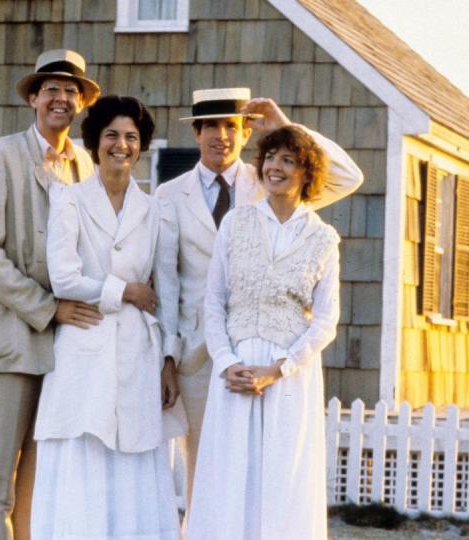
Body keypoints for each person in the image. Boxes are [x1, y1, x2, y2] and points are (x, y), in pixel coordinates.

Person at [153, 87, 363, 509]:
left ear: (247, 132)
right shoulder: (169, 195)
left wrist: (283, 125)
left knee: (266, 471)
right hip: (198, 355)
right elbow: (166, 283)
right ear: (196, 133)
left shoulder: (270, 178)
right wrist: (168, 359)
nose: (221, 136)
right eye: (209, 126)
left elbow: (347, 176)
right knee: (205, 471)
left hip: (266, 353)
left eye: (230, 126)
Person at [0, 49, 104, 540]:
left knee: (40, 477)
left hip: (65, 345)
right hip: (10, 337)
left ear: (81, 103)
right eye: (52, 89)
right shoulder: (1, 154)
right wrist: (47, 307)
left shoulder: (86, 163)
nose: (61, 98)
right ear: (34, 98)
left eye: (71, 91)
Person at [31, 95, 186, 540]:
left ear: (142, 147)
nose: (122, 145)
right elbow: (63, 277)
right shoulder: (70, 199)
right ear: (95, 142)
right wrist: (125, 291)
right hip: (85, 344)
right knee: (85, 453)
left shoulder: (157, 210)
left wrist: (169, 360)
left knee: (133, 457)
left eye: (132, 138)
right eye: (112, 135)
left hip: (140, 352)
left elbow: (169, 292)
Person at [186, 125, 347, 539]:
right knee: (229, 480)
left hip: (288, 375)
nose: (275, 167)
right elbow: (214, 300)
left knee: (283, 481)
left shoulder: (323, 238)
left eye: (288, 160)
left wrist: (280, 369)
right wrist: (226, 363)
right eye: (271, 158)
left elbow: (327, 320)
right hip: (236, 371)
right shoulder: (236, 223)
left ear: (306, 173)